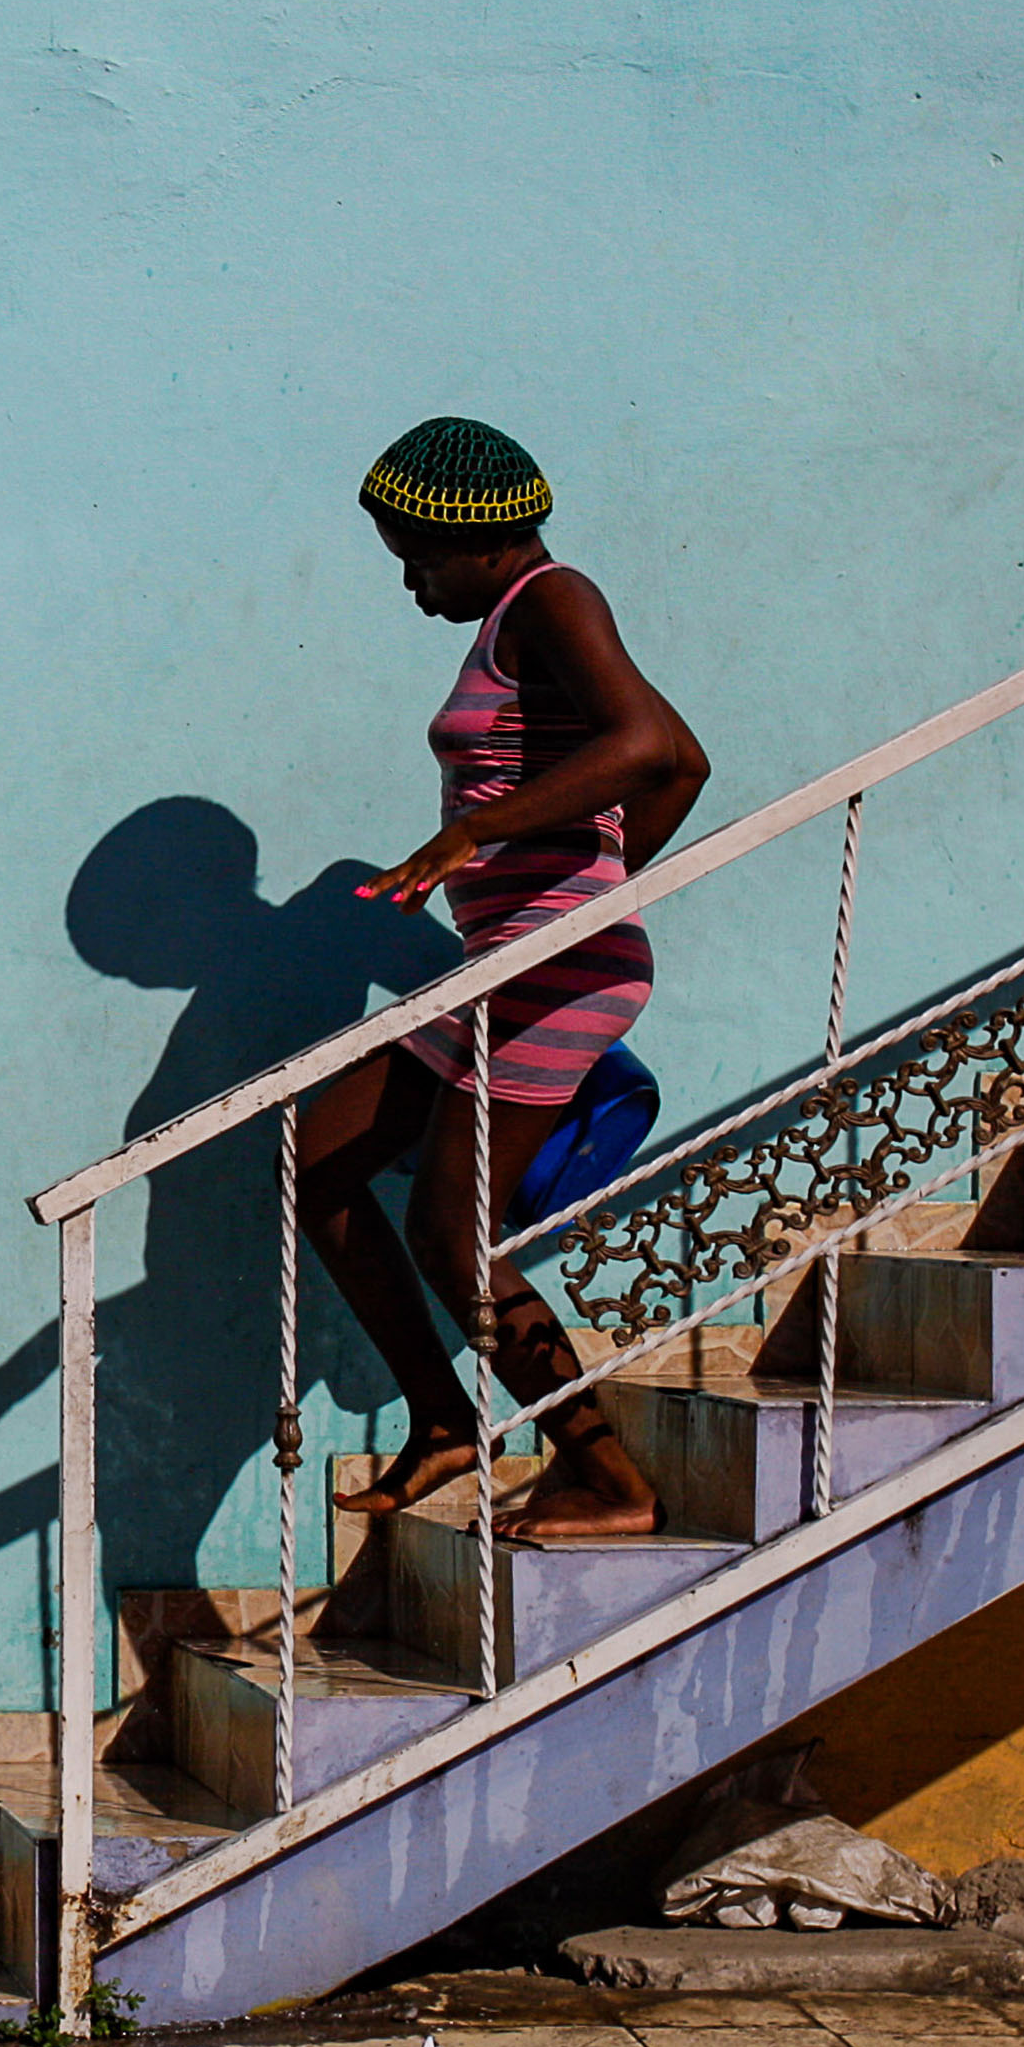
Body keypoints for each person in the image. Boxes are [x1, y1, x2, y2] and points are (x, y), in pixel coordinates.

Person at [301, 417, 710, 1541]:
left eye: (417, 558)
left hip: (553, 965)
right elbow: (685, 755)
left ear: (480, 545)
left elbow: (645, 749)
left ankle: (611, 1478)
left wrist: (491, 845)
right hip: (510, 962)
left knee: (448, 1233)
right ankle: (442, 1420)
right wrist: (591, 876)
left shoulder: (552, 599)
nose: (409, 582)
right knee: (323, 1167)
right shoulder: (517, 618)